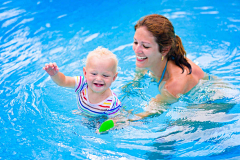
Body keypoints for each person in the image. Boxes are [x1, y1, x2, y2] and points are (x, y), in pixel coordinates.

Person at [131, 14, 205, 118]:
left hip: (212, 103)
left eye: (145, 46)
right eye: (135, 42)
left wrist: (122, 121)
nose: (137, 50)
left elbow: (147, 115)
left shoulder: (173, 84)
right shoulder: (145, 60)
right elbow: (137, 78)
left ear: (165, 50)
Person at [43, 47, 122, 125]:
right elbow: (63, 81)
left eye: (105, 75)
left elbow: (115, 120)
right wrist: (55, 75)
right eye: (94, 74)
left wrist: (103, 128)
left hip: (99, 120)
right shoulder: (81, 84)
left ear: (114, 78)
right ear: (85, 73)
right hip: (83, 114)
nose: (99, 78)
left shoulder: (112, 103)